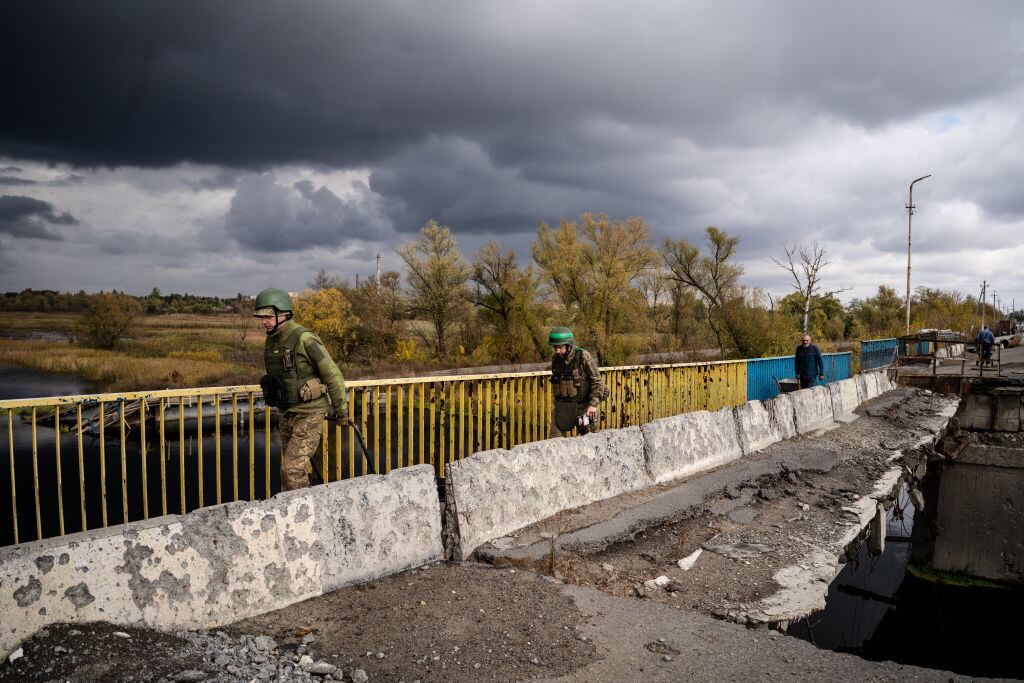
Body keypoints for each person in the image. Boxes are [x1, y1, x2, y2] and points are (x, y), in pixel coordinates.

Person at [253, 288, 348, 491]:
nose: (263, 322)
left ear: (284, 314)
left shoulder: (305, 339)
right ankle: (291, 512)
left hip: (309, 413)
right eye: (261, 317)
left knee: (292, 470)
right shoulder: (272, 340)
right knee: (288, 470)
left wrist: (341, 411)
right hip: (287, 413)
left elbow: (332, 374)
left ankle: (305, 516)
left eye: (268, 316)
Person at [548, 327, 609, 436]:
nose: (557, 351)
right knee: (554, 440)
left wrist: (593, 405)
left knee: (590, 441)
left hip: (585, 407)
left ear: (568, 345)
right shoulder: (556, 359)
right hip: (563, 407)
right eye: (555, 348)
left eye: (560, 348)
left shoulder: (583, 356)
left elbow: (597, 382)